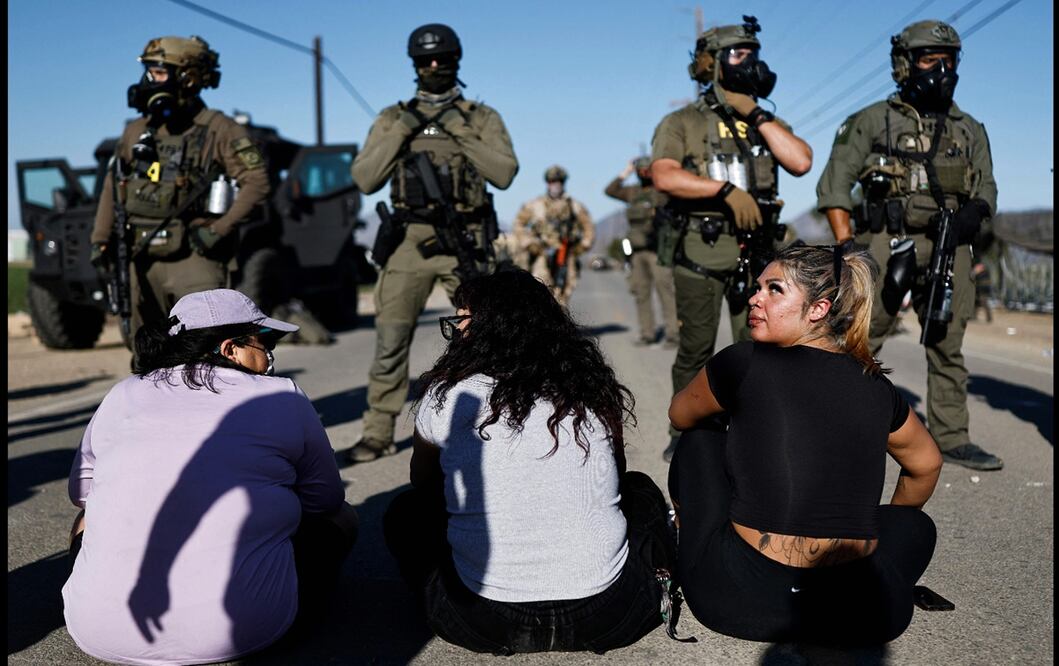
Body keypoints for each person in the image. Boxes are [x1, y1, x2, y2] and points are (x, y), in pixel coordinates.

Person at [383, 268, 676, 655]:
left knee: (406, 511)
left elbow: (424, 480)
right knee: (641, 490)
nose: (456, 332)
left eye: (462, 320)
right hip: (608, 616)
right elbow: (617, 479)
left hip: (482, 621)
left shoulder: (448, 395)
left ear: (488, 328)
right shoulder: (588, 387)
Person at [62, 288, 358, 664]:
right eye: (263, 341)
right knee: (343, 517)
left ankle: (107, 598)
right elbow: (326, 500)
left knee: (87, 516)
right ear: (231, 348)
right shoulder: (281, 394)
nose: (269, 354)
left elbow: (81, 492)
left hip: (96, 634)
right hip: (245, 633)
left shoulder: (123, 393)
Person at [668, 243, 943, 646]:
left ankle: (690, 538)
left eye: (774, 289)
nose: (754, 297)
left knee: (699, 440)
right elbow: (927, 464)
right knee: (915, 525)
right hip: (865, 612)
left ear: (818, 309)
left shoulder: (743, 361)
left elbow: (680, 414)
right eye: (758, 286)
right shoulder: (878, 387)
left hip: (739, 601)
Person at [816, 20, 1002, 471]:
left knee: (946, 340)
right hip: (885, 240)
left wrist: (974, 214)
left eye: (950, 59)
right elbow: (834, 186)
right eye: (929, 59)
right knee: (862, 332)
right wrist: (848, 249)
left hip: (948, 244)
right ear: (905, 64)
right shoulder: (872, 119)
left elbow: (988, 189)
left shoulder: (969, 128)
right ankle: (830, 425)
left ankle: (952, 436)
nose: (942, 69)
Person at [348, 23, 518, 463]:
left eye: (442, 59)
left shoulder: (481, 117)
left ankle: (499, 422)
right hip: (409, 239)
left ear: (456, 60)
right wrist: (404, 127)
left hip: (464, 236)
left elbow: (503, 172)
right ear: (415, 65)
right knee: (390, 340)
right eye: (426, 60)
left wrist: (460, 131)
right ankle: (377, 432)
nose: (435, 66)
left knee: (486, 337)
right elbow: (365, 179)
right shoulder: (392, 117)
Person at [649, 16, 812, 459]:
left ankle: (751, 429)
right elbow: (664, 174)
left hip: (759, 251)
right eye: (738, 55)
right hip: (703, 248)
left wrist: (755, 113)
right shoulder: (683, 120)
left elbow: (800, 162)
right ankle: (684, 432)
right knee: (696, 347)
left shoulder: (763, 120)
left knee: (761, 345)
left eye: (753, 55)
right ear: (712, 64)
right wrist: (722, 190)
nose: (750, 63)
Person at [90, 36, 270, 343]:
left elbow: (257, 183)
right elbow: (113, 184)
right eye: (148, 72)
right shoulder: (136, 130)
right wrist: (100, 239)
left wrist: (218, 230)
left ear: (188, 78)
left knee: (204, 350)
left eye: (158, 73)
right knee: (146, 355)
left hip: (195, 256)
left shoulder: (220, 129)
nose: (148, 81)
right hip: (140, 256)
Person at [604, 157, 679, 347]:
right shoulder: (633, 193)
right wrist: (626, 171)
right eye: (641, 170)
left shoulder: (661, 191)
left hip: (658, 251)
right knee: (641, 294)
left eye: (647, 170)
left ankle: (673, 334)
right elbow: (610, 190)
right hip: (636, 253)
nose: (644, 173)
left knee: (665, 292)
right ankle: (647, 333)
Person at [512, 165, 595, 306]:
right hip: (542, 254)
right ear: (547, 183)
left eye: (559, 181)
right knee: (539, 292)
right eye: (552, 182)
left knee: (563, 294)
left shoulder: (574, 206)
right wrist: (529, 243)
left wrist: (582, 246)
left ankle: (560, 325)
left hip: (566, 254)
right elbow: (518, 224)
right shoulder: (535, 205)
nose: (555, 185)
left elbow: (588, 227)